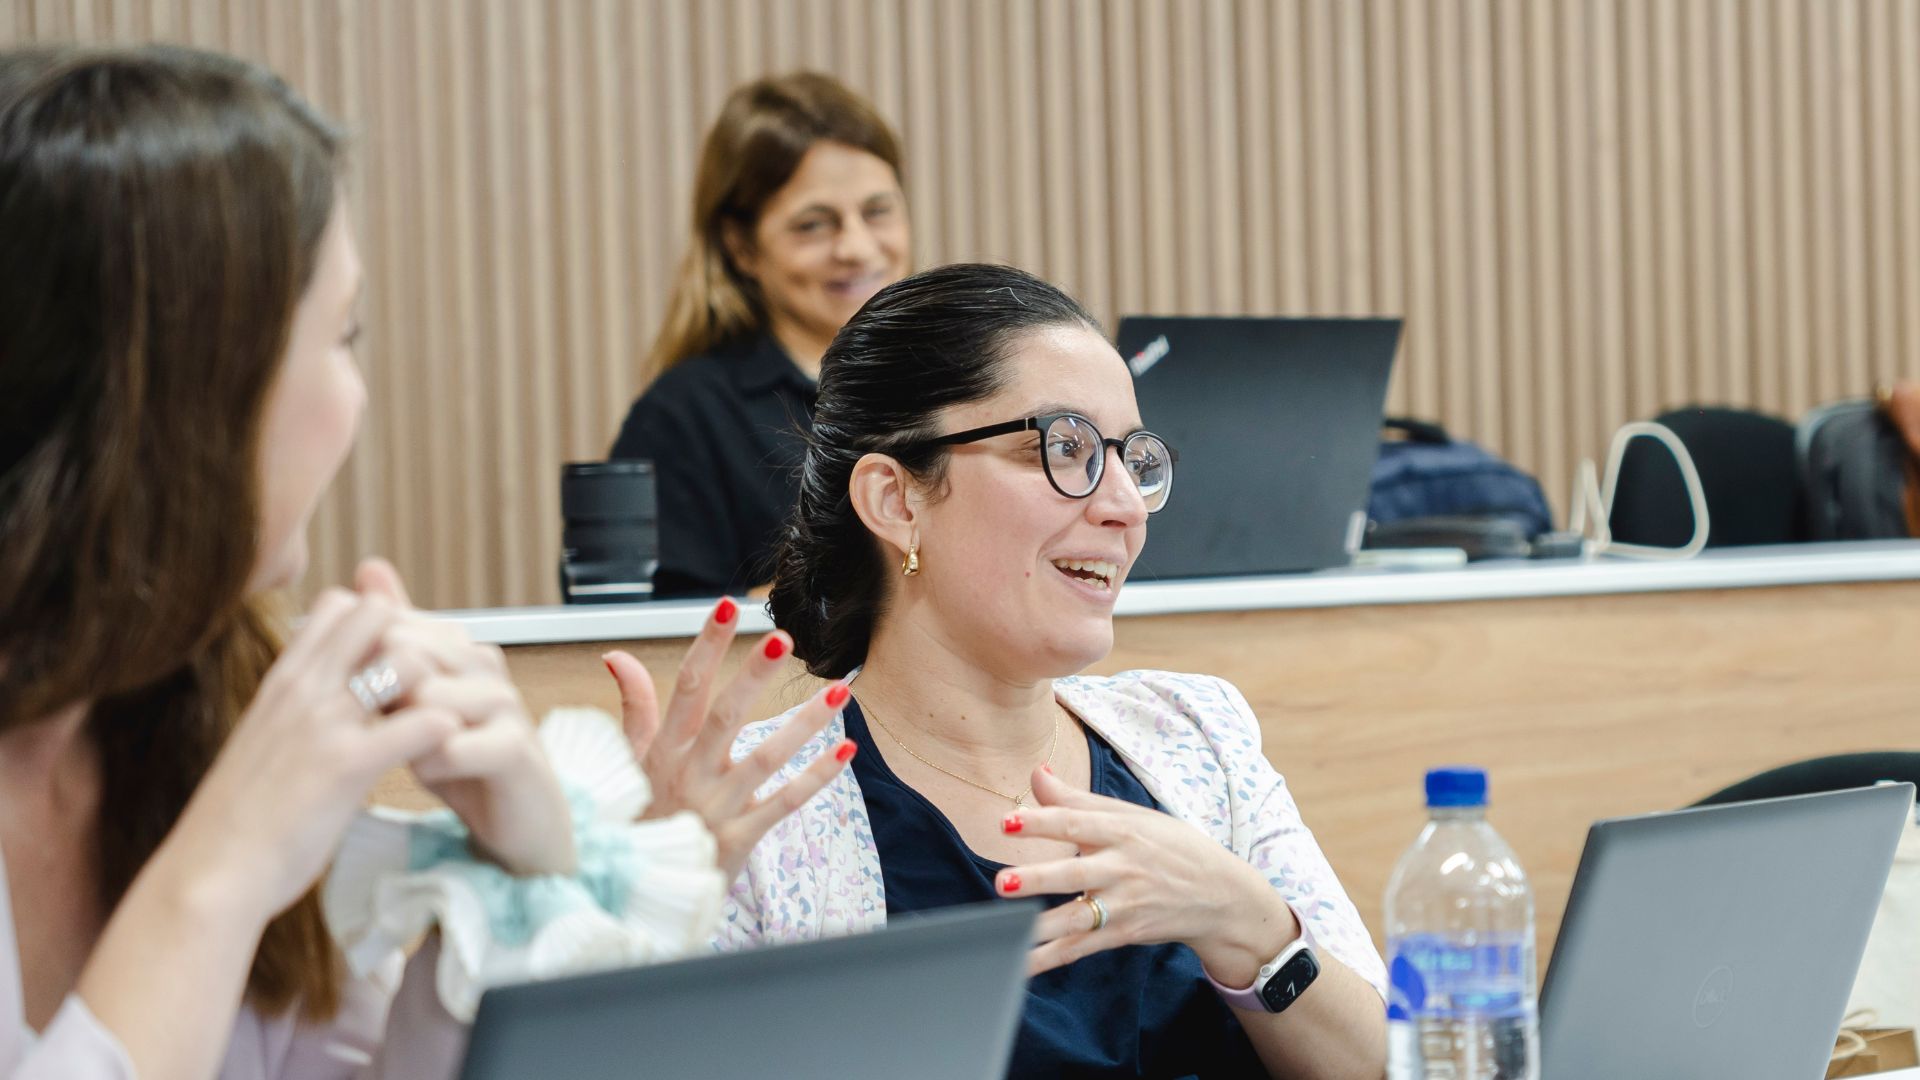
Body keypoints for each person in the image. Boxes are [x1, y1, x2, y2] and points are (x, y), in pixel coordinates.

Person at [0, 44, 850, 1079]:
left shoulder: (198, 713)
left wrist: (524, 873)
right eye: (343, 334)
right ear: (191, 388)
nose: (356, 398)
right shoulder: (247, 783)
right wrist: (221, 866)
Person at [715, 264, 1389, 1078]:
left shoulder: (1195, 734)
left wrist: (1247, 921)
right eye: (1066, 448)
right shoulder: (749, 813)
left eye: (1133, 459)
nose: (1125, 506)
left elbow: (1399, 1066)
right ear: (896, 500)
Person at [610, 72, 910, 598]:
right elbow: (661, 631)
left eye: (877, 212)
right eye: (814, 224)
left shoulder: (963, 381)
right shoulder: (682, 417)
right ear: (742, 246)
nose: (857, 248)